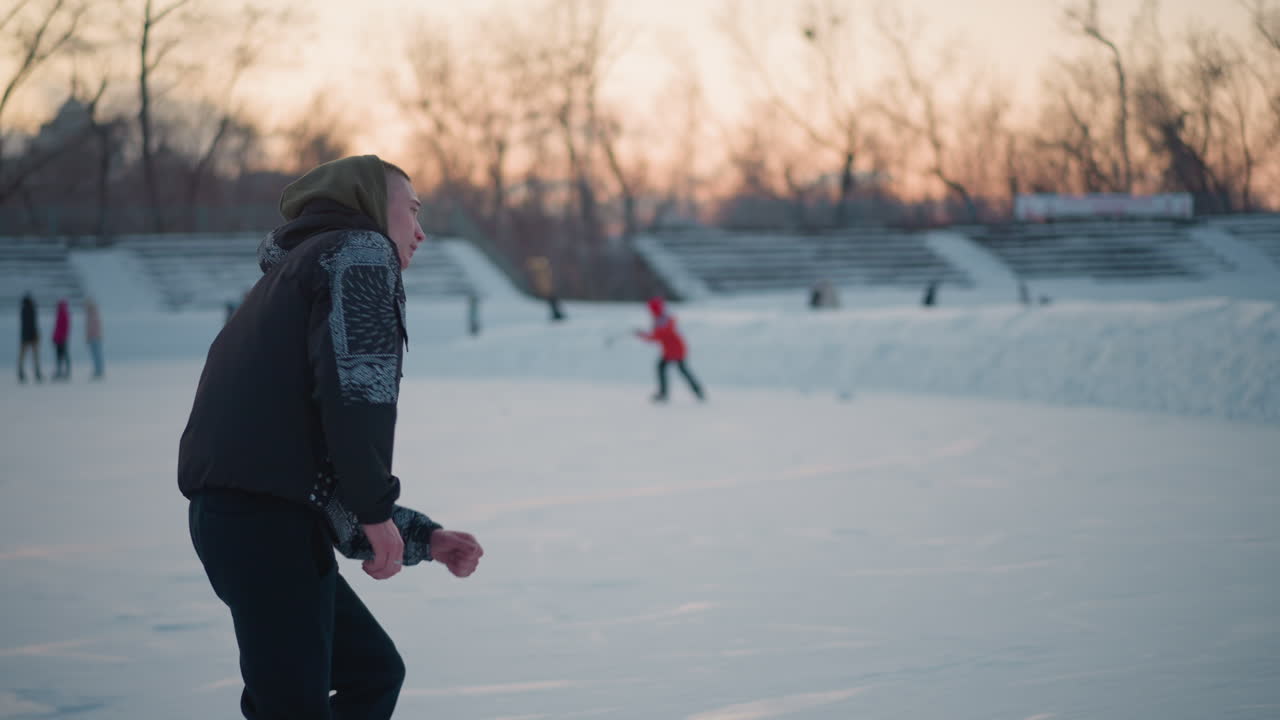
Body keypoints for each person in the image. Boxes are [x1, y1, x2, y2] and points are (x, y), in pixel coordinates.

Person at [178, 155, 484, 720]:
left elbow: (307, 447)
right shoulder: (360, 254)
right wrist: (374, 509)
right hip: (264, 526)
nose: (421, 231)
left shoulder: (297, 273)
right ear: (369, 206)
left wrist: (422, 538)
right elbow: (357, 396)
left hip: (250, 521)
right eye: (411, 211)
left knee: (370, 672)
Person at [635, 296, 705, 403]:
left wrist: (643, 335)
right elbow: (658, 335)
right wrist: (644, 335)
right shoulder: (660, 318)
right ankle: (697, 391)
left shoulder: (661, 319)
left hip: (675, 349)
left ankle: (667, 393)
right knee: (674, 369)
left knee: (677, 369)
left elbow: (659, 335)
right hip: (671, 350)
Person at [17, 292, 42, 383]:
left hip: (25, 336)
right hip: (31, 336)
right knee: (34, 356)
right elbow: (33, 324)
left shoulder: (23, 310)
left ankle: (21, 372)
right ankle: (36, 372)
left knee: (23, 356)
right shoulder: (31, 309)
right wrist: (36, 335)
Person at [84, 297, 104, 379]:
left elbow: (94, 327)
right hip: (93, 337)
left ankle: (99, 370)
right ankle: (98, 370)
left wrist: (90, 336)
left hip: (95, 337)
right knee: (96, 355)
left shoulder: (93, 314)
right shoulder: (91, 314)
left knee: (97, 355)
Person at [51, 298, 71, 380]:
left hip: (61, 339)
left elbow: (63, 328)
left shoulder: (63, 314)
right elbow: (57, 328)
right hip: (59, 338)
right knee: (60, 356)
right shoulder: (61, 314)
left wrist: (62, 337)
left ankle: (65, 371)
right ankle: (61, 371)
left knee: (63, 355)